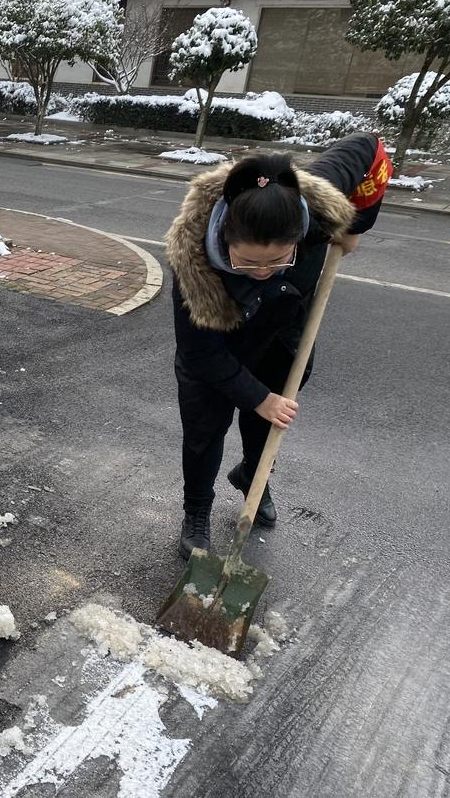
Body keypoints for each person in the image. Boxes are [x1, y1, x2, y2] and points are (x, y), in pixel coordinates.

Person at [166, 133, 390, 559]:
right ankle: (196, 512)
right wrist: (258, 397)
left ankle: (253, 475)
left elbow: (371, 151)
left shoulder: (311, 208)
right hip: (216, 348)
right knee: (204, 433)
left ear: (299, 232)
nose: (263, 271)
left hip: (279, 334)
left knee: (266, 420)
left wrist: (356, 224)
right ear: (225, 236)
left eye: (278, 260)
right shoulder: (193, 263)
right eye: (247, 262)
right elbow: (199, 354)